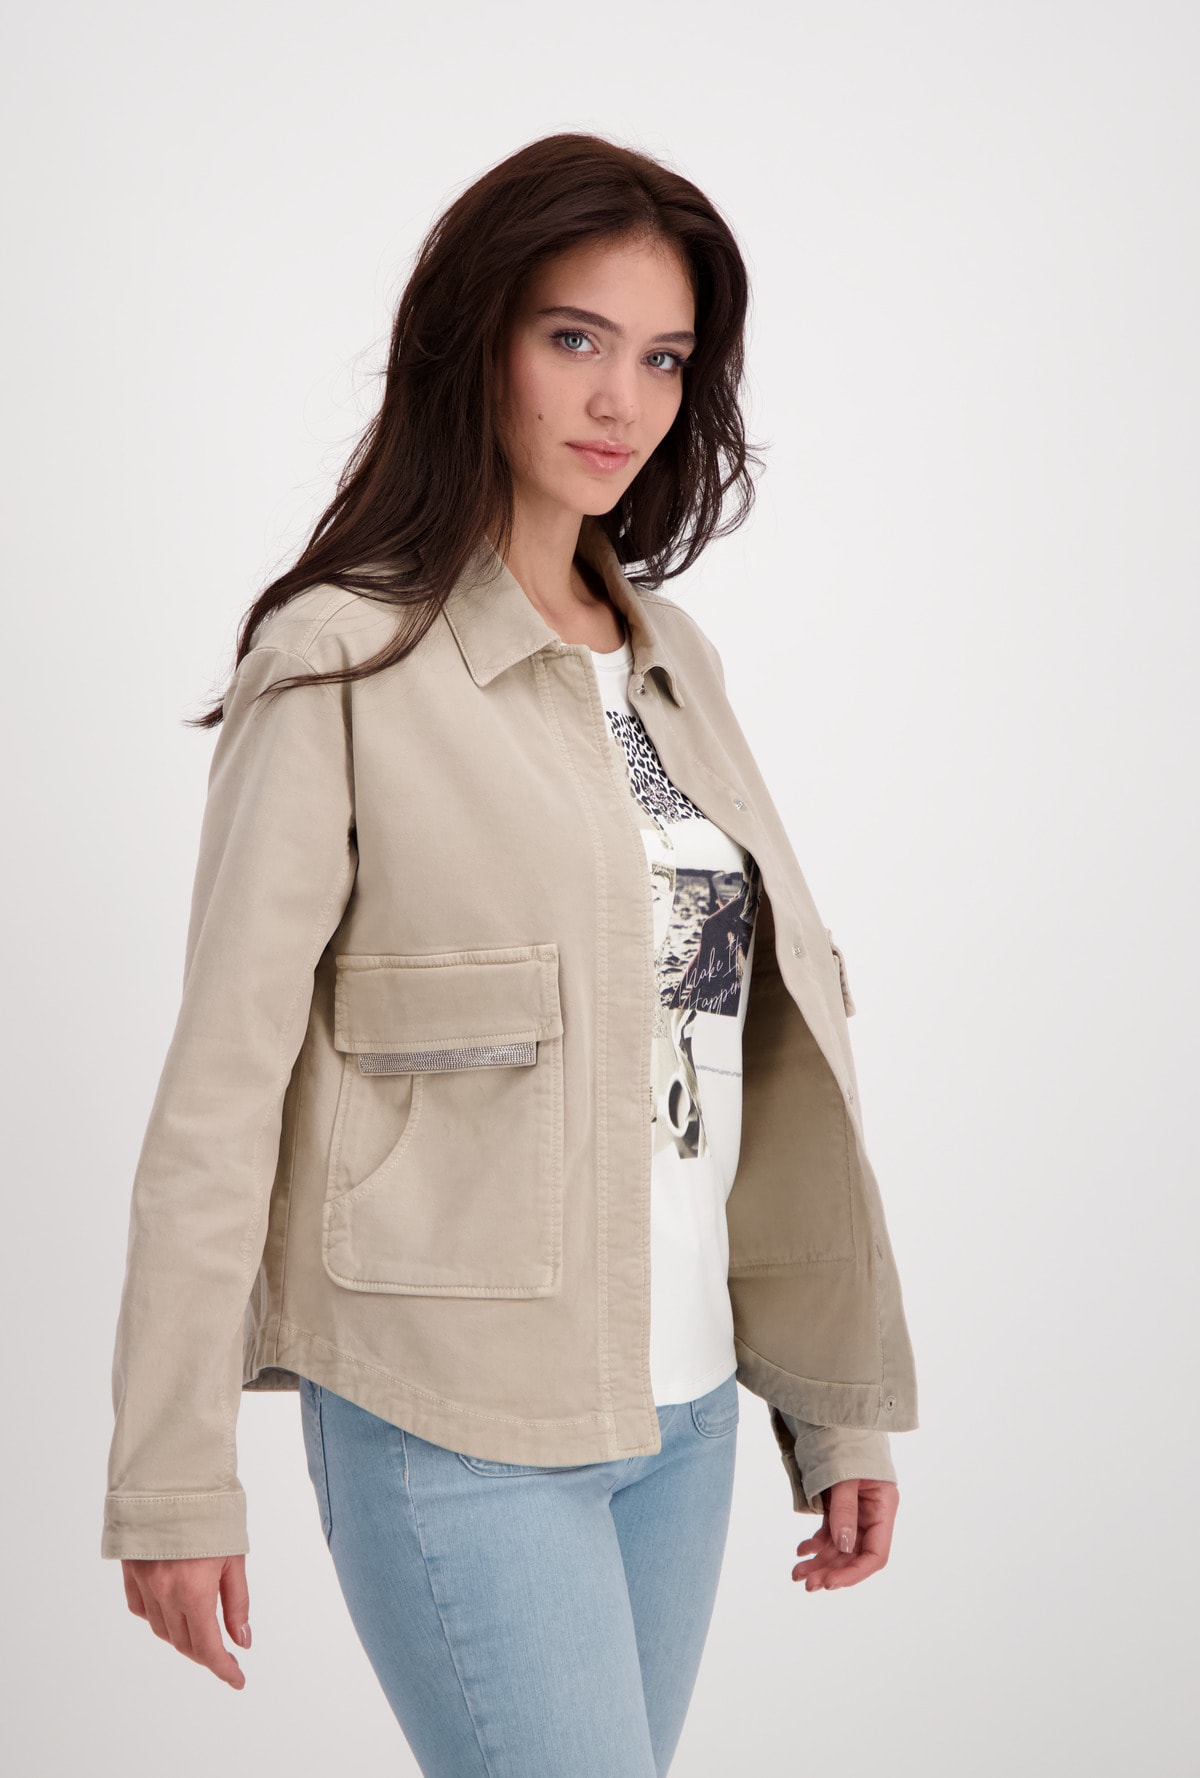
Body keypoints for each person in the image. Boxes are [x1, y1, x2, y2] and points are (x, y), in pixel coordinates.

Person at [102, 132, 918, 1777]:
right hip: (452, 1415)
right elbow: (221, 1088)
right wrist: (170, 1476)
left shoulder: (674, 660)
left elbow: (750, 1046)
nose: (623, 399)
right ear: (473, 339)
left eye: (664, 357)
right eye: (574, 338)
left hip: (685, 1412)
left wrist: (831, 1408)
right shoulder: (341, 659)